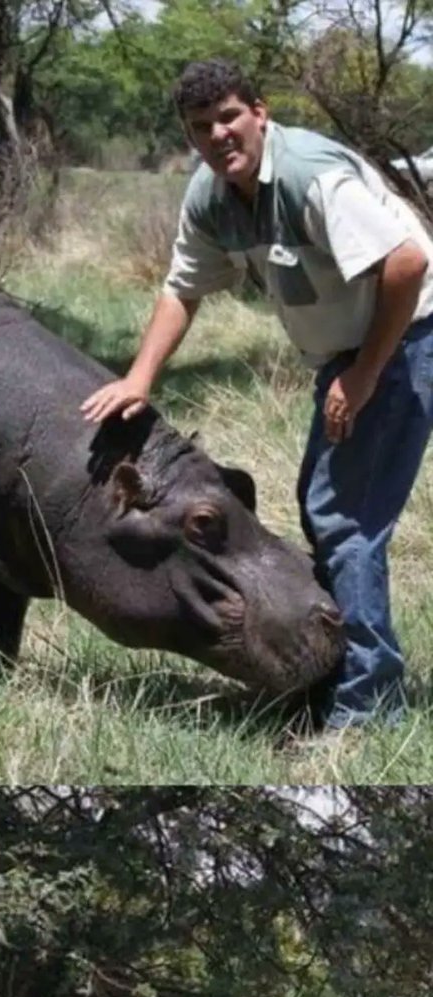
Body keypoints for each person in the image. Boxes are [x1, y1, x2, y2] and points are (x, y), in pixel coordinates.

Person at [81, 59, 433, 731]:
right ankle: (332, 677)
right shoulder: (212, 195)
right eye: (200, 127)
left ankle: (367, 706)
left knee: (345, 520)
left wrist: (363, 376)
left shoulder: (308, 175)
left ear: (260, 113)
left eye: (228, 118)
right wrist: (139, 378)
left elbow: (408, 263)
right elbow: (182, 288)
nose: (217, 135)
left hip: (407, 338)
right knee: (328, 509)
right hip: (349, 354)